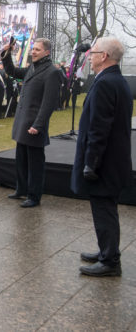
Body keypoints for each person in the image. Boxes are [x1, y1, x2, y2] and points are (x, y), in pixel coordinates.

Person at [71, 37, 132, 277]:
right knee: (105, 209)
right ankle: (106, 250)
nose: (89, 56)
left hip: (104, 163)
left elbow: (99, 128)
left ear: (104, 56)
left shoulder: (106, 83)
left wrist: (90, 163)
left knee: (104, 209)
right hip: (112, 160)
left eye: (93, 52)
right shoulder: (114, 80)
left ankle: (110, 261)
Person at [1, 38, 62, 207]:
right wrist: (6, 55)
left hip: (34, 125)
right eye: (33, 49)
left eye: (37, 49)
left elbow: (48, 103)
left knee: (35, 164)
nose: (33, 52)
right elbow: (12, 71)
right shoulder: (33, 68)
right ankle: (21, 189)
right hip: (23, 123)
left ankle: (34, 196)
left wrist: (38, 125)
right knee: (21, 159)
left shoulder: (52, 72)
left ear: (47, 52)